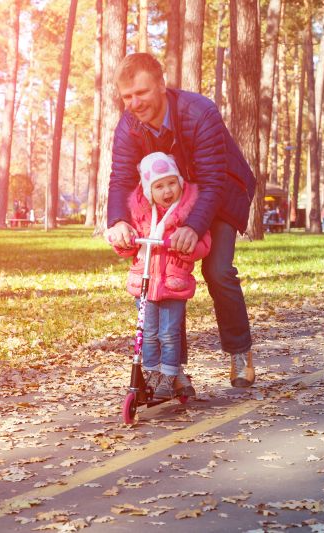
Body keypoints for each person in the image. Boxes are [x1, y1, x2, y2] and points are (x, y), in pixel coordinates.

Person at [106, 53, 257, 388]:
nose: (134, 103)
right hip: (169, 199)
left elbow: (213, 181)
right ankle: (174, 372)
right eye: (127, 96)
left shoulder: (199, 112)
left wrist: (193, 227)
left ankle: (239, 351)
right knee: (166, 274)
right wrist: (118, 220)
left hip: (218, 193)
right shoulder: (128, 126)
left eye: (141, 93)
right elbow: (120, 179)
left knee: (216, 270)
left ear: (161, 85)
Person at [106, 152, 210, 399]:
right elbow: (127, 247)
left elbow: (204, 244)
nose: (167, 191)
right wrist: (125, 240)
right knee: (148, 333)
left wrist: (184, 246)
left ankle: (170, 374)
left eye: (171, 183)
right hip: (144, 282)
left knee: (169, 334)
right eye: (159, 186)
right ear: (148, 190)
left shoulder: (186, 214)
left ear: (180, 183)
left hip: (173, 284)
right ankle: (152, 372)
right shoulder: (140, 214)